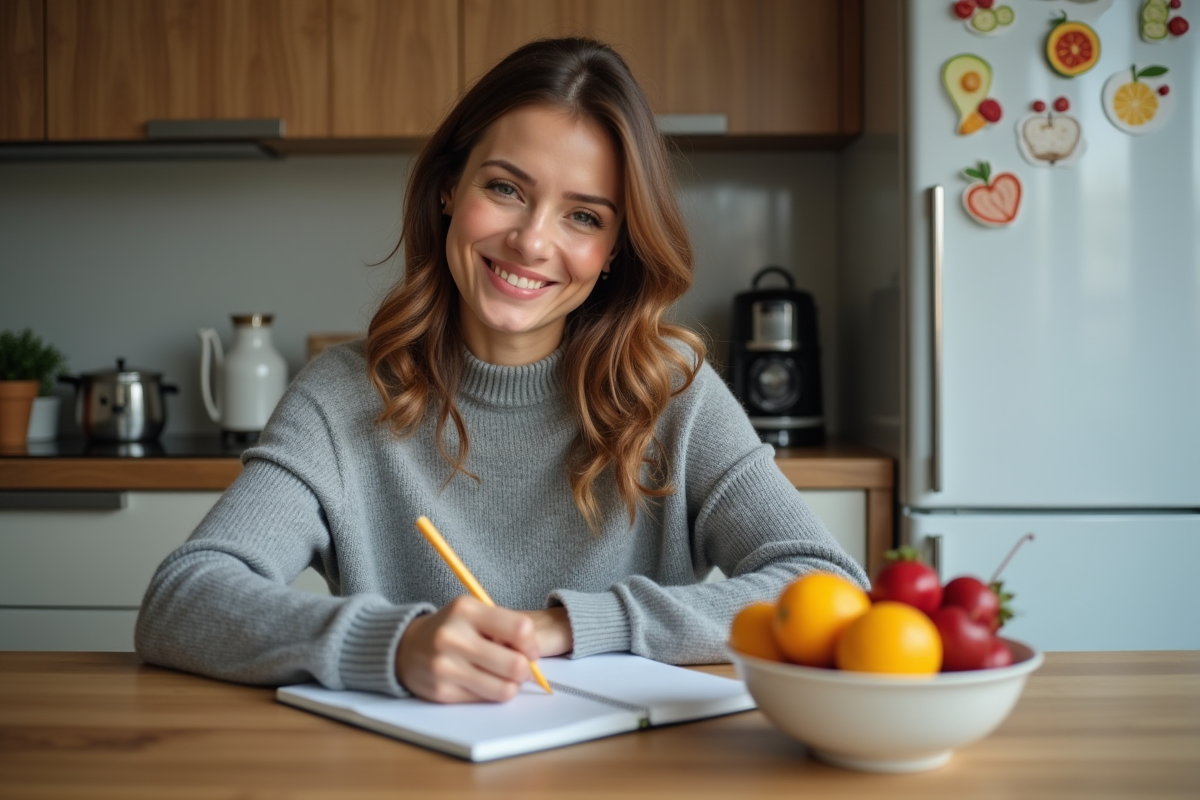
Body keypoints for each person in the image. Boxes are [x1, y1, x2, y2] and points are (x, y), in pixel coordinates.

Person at [135, 37, 868, 704]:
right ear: (450, 188)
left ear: (614, 248)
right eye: (507, 189)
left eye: (584, 217)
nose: (531, 241)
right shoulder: (340, 395)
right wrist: (390, 645)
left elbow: (829, 586)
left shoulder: (672, 392)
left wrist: (568, 626)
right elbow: (184, 598)